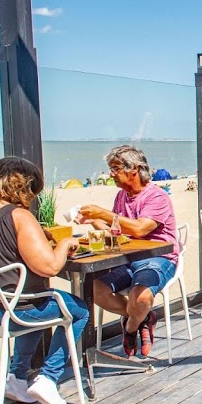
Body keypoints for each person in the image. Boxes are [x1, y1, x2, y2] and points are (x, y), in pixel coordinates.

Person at [0, 157, 86, 404]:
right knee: (77, 309)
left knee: (37, 300)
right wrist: (65, 244)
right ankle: (48, 378)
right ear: (25, 186)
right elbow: (49, 267)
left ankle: (16, 377)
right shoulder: (18, 215)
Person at [79, 145, 179, 357]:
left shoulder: (157, 197)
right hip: (127, 258)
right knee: (94, 289)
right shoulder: (121, 197)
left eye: (115, 169)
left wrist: (103, 213)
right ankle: (142, 317)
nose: (111, 174)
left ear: (133, 169)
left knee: (140, 297)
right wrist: (94, 220)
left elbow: (140, 229)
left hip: (158, 258)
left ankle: (131, 327)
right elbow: (117, 232)